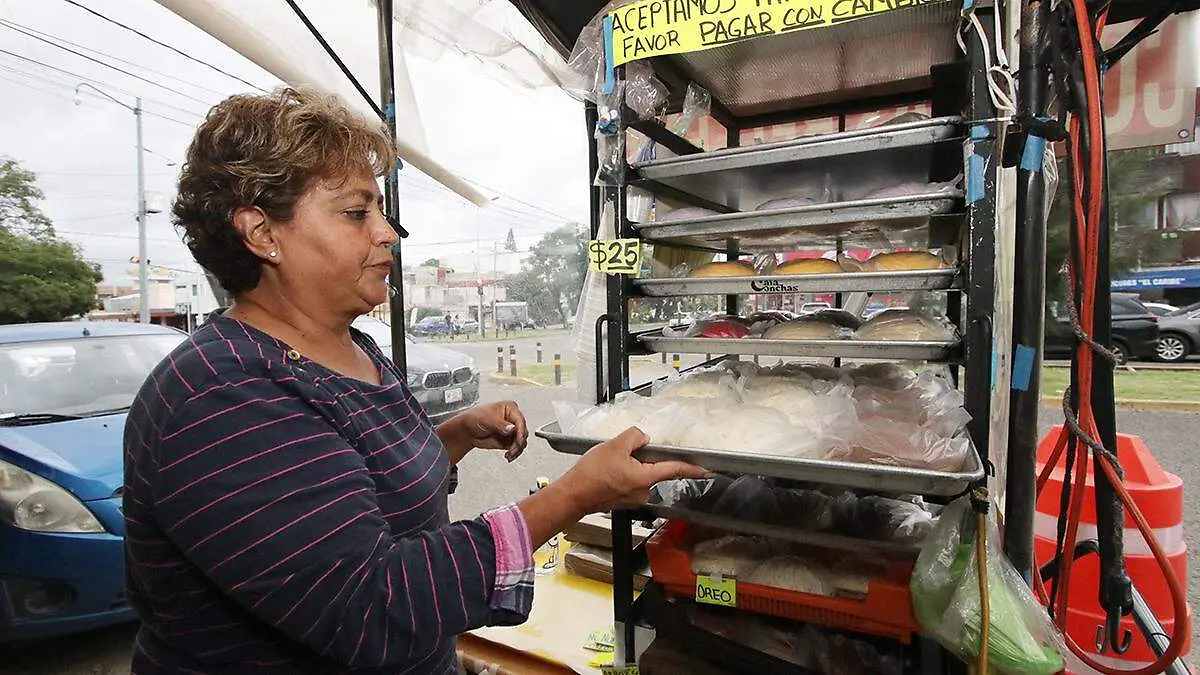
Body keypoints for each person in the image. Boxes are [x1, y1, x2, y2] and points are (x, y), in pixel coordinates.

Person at [123, 87, 705, 674]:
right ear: (262, 234)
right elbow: (372, 604)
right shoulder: (223, 397)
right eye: (356, 213)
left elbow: (358, 479)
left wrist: (450, 437)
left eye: (380, 210)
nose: (389, 234)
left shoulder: (355, 349)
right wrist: (577, 494)